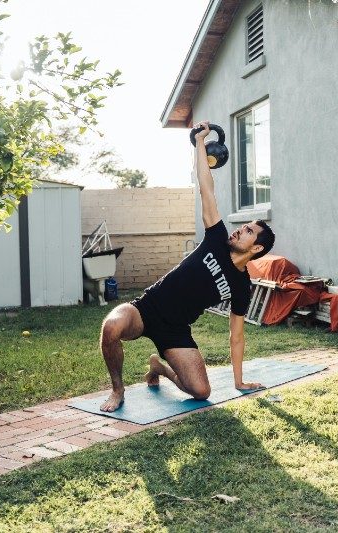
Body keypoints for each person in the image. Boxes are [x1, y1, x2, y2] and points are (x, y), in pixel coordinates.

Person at [98, 121, 276, 412]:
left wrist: (239, 382)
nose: (238, 231)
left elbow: (237, 335)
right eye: (242, 227)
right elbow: (206, 188)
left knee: (201, 391)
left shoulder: (242, 286)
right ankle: (118, 390)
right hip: (147, 308)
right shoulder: (217, 237)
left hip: (176, 330)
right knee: (112, 326)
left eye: (246, 231)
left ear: (256, 248)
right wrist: (200, 144)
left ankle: (159, 367)